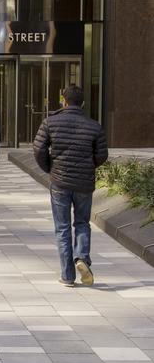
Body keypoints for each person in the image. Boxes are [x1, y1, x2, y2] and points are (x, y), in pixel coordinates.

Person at [33, 85, 108, 287]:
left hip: (60, 181)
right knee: (82, 223)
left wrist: (50, 167)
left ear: (63, 101)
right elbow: (102, 155)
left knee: (62, 228)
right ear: (82, 103)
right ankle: (82, 257)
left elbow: (38, 149)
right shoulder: (94, 126)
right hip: (84, 182)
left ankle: (67, 276)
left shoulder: (50, 122)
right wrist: (88, 166)